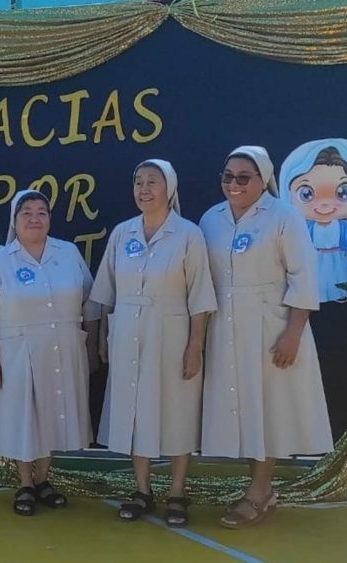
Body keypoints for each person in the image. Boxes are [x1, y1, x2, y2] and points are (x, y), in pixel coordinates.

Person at [200, 146, 334, 528]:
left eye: (245, 177)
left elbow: (304, 277)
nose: (235, 184)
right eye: (228, 176)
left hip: (270, 326)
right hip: (225, 327)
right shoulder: (211, 219)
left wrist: (293, 332)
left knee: (268, 408)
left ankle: (259, 490)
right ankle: (260, 486)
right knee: (242, 408)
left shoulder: (284, 216)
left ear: (263, 179)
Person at [92, 159, 216, 527]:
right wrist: (103, 338)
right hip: (128, 331)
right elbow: (105, 293)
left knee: (177, 408)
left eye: (152, 182)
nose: (144, 189)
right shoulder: (122, 233)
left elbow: (200, 298)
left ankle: (178, 491)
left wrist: (195, 345)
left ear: (169, 188)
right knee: (133, 410)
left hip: (172, 332)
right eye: (138, 182)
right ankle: (142, 489)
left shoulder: (188, 234)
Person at [0, 189, 99, 516]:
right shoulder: (0, 261)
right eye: (27, 212)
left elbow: (91, 302)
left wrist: (93, 346)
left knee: (54, 415)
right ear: (15, 220)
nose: (35, 218)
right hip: (17, 355)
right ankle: (24, 483)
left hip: (63, 350)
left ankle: (43, 480)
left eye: (42, 211)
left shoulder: (68, 253)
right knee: (25, 418)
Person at [279, 139, 347, 303]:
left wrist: (346, 254)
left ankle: (337, 294)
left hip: (336, 260)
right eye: (307, 194)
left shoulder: (343, 226)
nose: (324, 203)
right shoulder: (305, 227)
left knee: (336, 282)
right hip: (313, 261)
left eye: (342, 193)